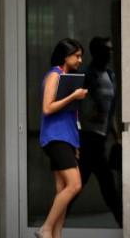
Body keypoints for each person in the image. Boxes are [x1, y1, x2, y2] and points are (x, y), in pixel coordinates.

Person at [38, 37, 90, 238]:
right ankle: (46, 228)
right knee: (75, 185)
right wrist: (73, 96)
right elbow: (47, 107)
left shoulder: (67, 77)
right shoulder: (54, 75)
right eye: (76, 56)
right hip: (55, 138)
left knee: (62, 191)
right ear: (65, 55)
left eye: (81, 56)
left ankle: (56, 234)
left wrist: (74, 143)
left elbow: (70, 116)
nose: (79, 60)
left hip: (67, 139)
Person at [77, 36, 122, 226]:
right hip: (88, 139)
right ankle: (124, 225)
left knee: (77, 185)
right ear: (97, 52)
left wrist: (116, 137)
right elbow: (75, 106)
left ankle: (53, 223)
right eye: (107, 49)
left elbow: (109, 110)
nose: (111, 53)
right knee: (106, 187)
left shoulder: (110, 75)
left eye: (111, 49)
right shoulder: (86, 74)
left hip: (100, 139)